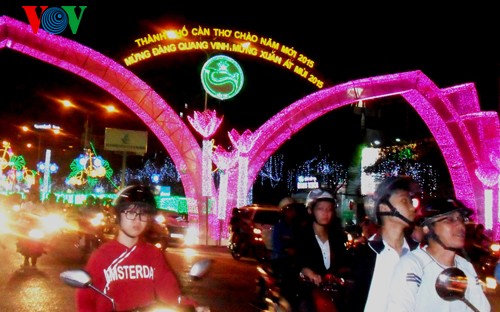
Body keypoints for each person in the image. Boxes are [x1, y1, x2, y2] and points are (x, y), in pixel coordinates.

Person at [75, 184, 187, 312]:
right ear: (118, 216)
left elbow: (171, 293)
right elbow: (85, 301)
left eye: (143, 214)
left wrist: (191, 306)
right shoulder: (102, 256)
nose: (137, 220)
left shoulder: (153, 254)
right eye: (131, 213)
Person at [386, 197, 491, 311]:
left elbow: (481, 308)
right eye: (449, 220)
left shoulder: (466, 267)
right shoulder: (413, 265)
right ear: (427, 228)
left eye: (461, 219)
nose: (460, 226)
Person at [347, 175, 421, 312]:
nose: (411, 208)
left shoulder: (420, 255)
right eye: (404, 201)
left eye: (411, 201)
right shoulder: (364, 255)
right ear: (383, 208)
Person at [295, 189, 350, 312]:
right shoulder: (301, 235)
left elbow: (345, 262)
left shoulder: (338, 237)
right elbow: (297, 261)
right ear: (310, 210)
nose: (326, 213)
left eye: (329, 209)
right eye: (321, 209)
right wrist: (308, 272)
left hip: (333, 293)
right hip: (307, 293)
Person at [270, 197, 304, 305]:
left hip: (296, 260)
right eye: (288, 209)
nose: (291, 212)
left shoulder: (299, 227)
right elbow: (276, 244)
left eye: (293, 209)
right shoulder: (279, 227)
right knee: (285, 280)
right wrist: (286, 250)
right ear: (283, 212)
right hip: (281, 259)